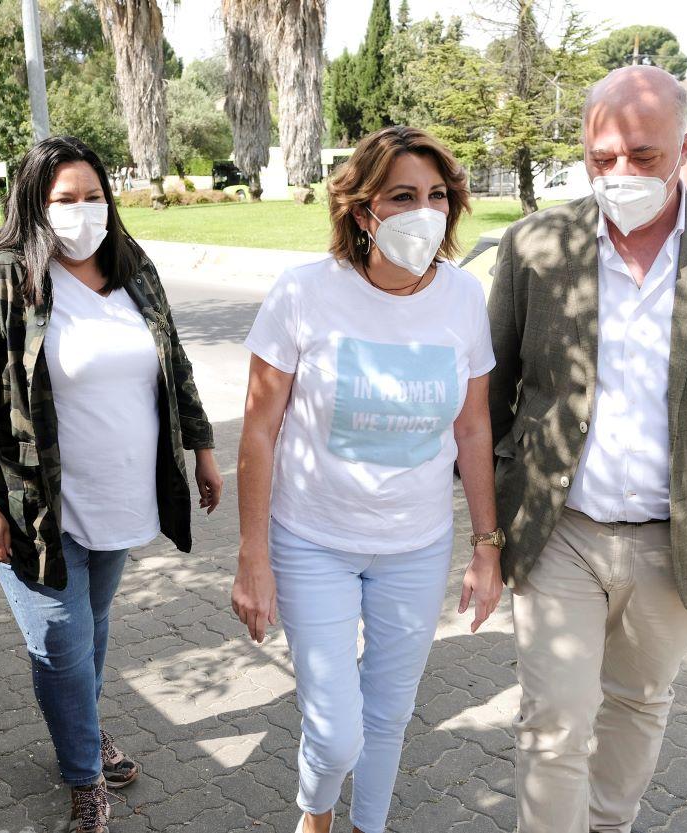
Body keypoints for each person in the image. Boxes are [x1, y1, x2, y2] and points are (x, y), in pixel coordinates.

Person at [487, 65, 687, 833]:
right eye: (602, 158)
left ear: (686, 146)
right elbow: (492, 388)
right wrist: (486, 529)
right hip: (561, 528)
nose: (621, 174)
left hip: (676, 536)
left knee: (639, 703)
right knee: (553, 718)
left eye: (643, 155)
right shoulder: (537, 244)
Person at [0, 135, 222, 833]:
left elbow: (176, 363)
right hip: (32, 504)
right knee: (62, 643)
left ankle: (85, 732)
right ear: (34, 204)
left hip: (121, 492)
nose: (82, 211)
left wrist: (204, 446)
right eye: (64, 199)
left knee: (93, 631)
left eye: (93, 196)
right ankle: (83, 776)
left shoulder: (133, 266)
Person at [232, 125, 505, 833]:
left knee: (389, 715)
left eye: (438, 196)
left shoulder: (462, 298)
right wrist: (251, 555)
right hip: (313, 539)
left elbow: (473, 428)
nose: (426, 212)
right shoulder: (303, 293)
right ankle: (315, 811)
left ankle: (367, 825)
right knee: (335, 730)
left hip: (416, 545)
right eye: (403, 196)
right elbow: (259, 429)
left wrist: (487, 545)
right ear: (362, 211)